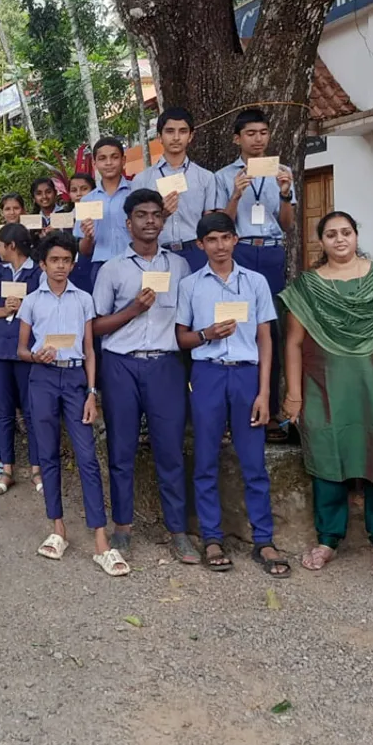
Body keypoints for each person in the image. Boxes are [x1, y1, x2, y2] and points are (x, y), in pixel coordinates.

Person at [279, 212, 373, 574]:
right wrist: (294, 395)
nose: (339, 239)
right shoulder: (308, 287)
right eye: (330, 234)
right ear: (321, 242)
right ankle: (328, 538)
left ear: (357, 236)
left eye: (346, 232)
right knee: (326, 455)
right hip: (322, 385)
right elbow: (293, 343)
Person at [175, 212, 290, 577]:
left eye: (226, 238)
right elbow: (181, 338)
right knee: (205, 459)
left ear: (236, 240)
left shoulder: (255, 283)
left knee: (254, 462)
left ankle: (264, 540)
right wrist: (207, 333)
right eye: (212, 240)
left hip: (246, 376)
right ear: (200, 245)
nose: (220, 246)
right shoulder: (190, 285)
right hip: (207, 374)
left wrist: (264, 392)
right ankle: (211, 537)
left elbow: (265, 338)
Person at [93, 189, 195, 561]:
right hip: (121, 364)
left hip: (166, 365)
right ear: (128, 222)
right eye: (141, 215)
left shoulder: (179, 266)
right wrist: (133, 309)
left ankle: (178, 531)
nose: (149, 221)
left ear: (163, 221)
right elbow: (97, 326)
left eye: (156, 215)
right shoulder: (113, 268)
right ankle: (122, 527)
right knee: (122, 448)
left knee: (170, 449)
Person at [17, 232, 127, 577]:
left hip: (76, 379)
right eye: (54, 260)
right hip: (43, 379)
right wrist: (35, 356)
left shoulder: (84, 299)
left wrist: (92, 392)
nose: (61, 266)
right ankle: (58, 528)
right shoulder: (32, 301)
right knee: (47, 454)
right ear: (43, 264)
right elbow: (21, 349)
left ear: (73, 264)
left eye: (66, 260)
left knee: (87, 457)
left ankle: (100, 540)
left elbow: (91, 350)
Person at [215, 109, 295, 427]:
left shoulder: (281, 171)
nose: (258, 139)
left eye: (263, 132)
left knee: (270, 330)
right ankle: (232, 411)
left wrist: (286, 194)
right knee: (235, 324)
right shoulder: (223, 176)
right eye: (251, 133)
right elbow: (221, 224)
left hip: (272, 253)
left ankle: (270, 408)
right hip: (241, 251)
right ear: (238, 138)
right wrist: (236, 193)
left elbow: (287, 225)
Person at [0, 223, 42, 494]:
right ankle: (7, 469)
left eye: (1, 245)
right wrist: (4, 308)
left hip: (26, 348)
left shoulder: (38, 272)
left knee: (32, 411)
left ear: (11, 246)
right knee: (2, 411)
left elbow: (46, 307)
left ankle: (38, 469)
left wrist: (24, 307)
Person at [136, 107, 217, 273]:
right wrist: (161, 215)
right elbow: (135, 224)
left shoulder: (205, 177)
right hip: (157, 250)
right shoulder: (142, 180)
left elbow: (209, 221)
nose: (176, 137)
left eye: (183, 131)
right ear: (159, 136)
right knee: (161, 299)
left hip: (195, 250)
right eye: (170, 131)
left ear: (191, 136)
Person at [75, 137, 133, 289]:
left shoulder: (136, 193)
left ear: (123, 160)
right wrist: (88, 237)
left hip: (134, 263)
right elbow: (84, 250)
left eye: (114, 157)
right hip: (101, 266)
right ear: (94, 164)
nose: (108, 163)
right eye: (102, 158)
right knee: (103, 311)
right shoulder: (87, 201)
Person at [67, 173, 96, 292]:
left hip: (92, 266)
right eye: (74, 190)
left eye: (84, 189)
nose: (79, 194)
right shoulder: (64, 217)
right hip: (72, 270)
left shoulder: (101, 214)